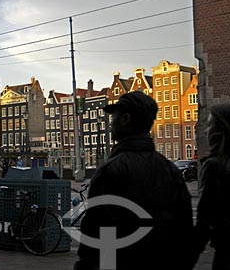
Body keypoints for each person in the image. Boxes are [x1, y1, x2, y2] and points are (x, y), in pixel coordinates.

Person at [74, 91, 193, 270]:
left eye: (114, 116)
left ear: (125, 119)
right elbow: (184, 229)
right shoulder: (170, 169)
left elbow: (100, 236)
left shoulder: (110, 171)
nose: (111, 122)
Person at [191, 104, 230, 269]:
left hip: (228, 253)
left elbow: (205, 220)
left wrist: (187, 258)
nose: (205, 131)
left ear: (220, 131)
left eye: (209, 125)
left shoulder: (215, 167)